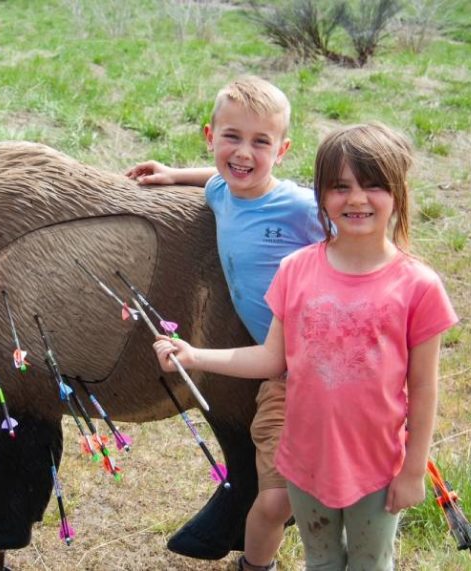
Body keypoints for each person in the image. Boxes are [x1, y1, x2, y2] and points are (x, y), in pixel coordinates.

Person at [154, 123, 458, 570]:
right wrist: (195, 355)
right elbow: (272, 358)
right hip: (302, 457)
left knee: (370, 563)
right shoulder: (297, 269)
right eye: (340, 187)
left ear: (398, 192)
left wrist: (413, 472)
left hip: (376, 465)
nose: (356, 198)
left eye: (372, 185)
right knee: (320, 559)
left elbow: (425, 389)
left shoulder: (419, 287)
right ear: (320, 195)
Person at [127, 76, 323, 571]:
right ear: (210, 136)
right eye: (231, 137)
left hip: (327, 359)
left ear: (283, 150)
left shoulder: (299, 207)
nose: (244, 153)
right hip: (281, 368)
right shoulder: (221, 190)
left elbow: (356, 235)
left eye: (261, 142)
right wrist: (173, 174)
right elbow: (215, 179)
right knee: (278, 480)